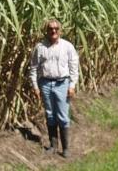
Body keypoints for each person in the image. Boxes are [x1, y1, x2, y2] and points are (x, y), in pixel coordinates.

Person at [30, 18, 79, 158]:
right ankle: (53, 146)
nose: (53, 31)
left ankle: (66, 148)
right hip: (45, 84)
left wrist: (72, 85)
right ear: (46, 30)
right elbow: (33, 68)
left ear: (60, 30)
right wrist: (35, 86)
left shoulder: (67, 46)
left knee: (63, 116)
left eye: (56, 28)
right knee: (50, 115)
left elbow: (74, 67)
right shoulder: (40, 48)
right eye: (51, 28)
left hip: (62, 84)